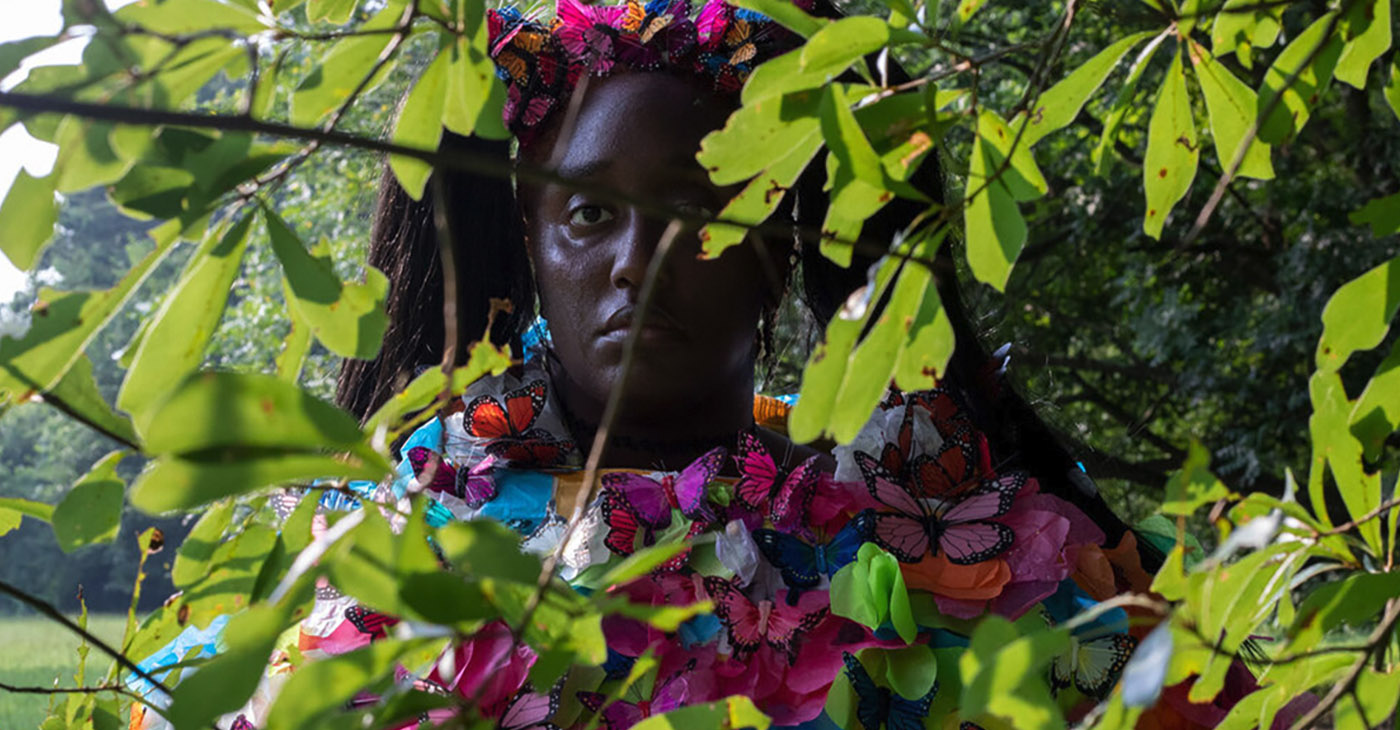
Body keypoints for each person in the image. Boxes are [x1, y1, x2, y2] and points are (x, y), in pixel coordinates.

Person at [129, 0, 1248, 728]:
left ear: (780, 248)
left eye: (698, 213)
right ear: (530, 240)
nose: (637, 262)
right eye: (588, 214)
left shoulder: (949, 536)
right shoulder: (399, 541)